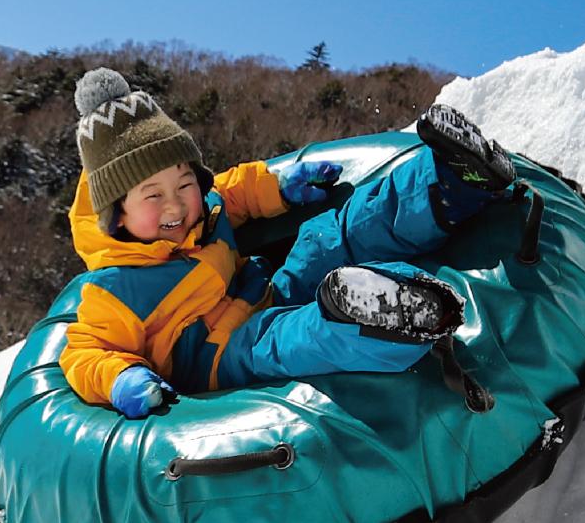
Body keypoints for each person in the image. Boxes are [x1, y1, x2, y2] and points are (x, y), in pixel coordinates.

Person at [56, 66, 523, 418]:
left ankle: (450, 184)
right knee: (292, 337)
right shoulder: (116, 288)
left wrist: (281, 187)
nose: (176, 207)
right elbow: (85, 352)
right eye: (152, 197)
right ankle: (388, 317)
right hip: (223, 356)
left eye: (183, 186)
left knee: (324, 238)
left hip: (264, 291)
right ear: (117, 212)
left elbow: (231, 191)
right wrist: (121, 379)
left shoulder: (204, 209)